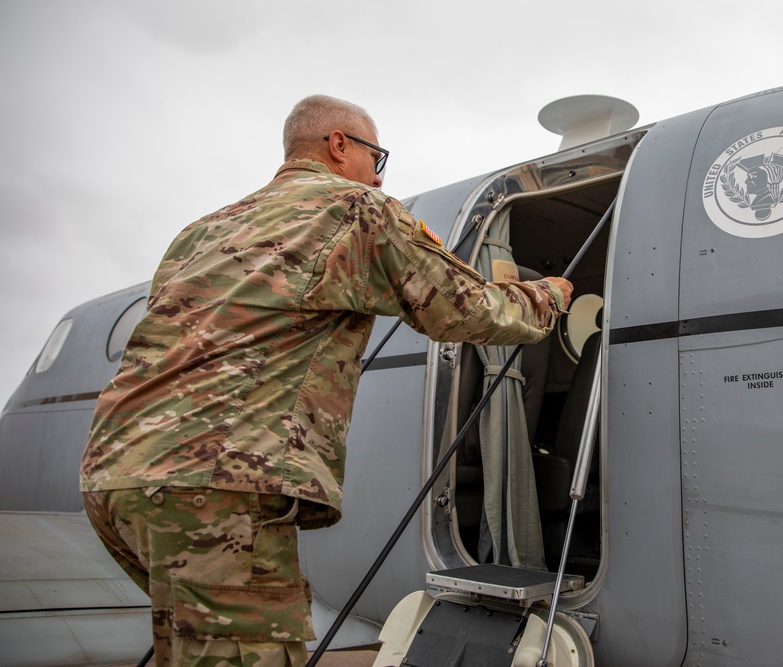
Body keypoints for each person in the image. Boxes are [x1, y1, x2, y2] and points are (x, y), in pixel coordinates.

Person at [80, 94, 572, 667]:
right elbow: (468, 309)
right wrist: (548, 299)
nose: (380, 175)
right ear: (339, 144)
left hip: (116, 476)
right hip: (216, 485)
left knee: (193, 653)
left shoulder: (201, 230)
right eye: (377, 156)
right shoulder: (357, 208)